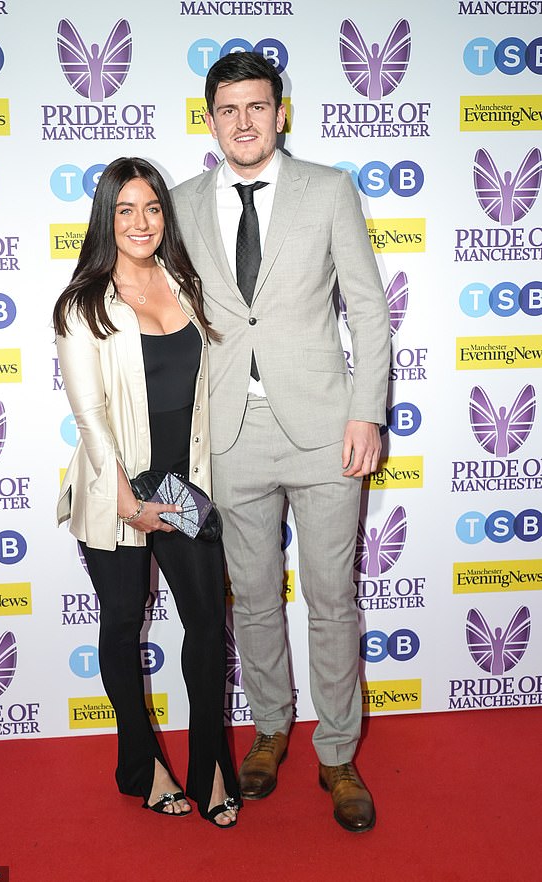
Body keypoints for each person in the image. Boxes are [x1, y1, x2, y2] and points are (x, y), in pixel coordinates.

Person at [171, 53, 390, 832]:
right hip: (231, 431)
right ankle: (270, 731)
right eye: (228, 109)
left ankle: (337, 753)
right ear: (209, 119)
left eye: (257, 107)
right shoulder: (182, 202)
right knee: (255, 597)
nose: (243, 122)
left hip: (327, 428)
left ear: (280, 112)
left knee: (332, 600)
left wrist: (367, 412)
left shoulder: (330, 189)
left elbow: (367, 308)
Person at [53, 157, 240, 828]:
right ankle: (142, 764)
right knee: (124, 624)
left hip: (184, 487)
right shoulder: (83, 302)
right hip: (115, 493)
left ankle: (211, 763)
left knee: (208, 631)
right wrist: (130, 504)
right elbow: (89, 417)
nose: (140, 222)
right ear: (107, 218)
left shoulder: (186, 285)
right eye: (125, 209)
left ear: (167, 215)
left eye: (152, 207)